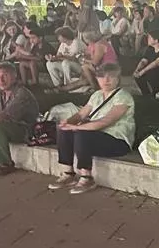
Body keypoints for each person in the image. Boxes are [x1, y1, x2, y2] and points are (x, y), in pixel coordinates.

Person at [48, 63, 135, 194]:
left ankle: (86, 177)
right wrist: (68, 122)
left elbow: (105, 121)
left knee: (82, 133)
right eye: (102, 77)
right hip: (96, 137)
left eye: (111, 77)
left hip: (117, 141)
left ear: (118, 79)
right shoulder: (97, 95)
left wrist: (77, 127)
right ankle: (68, 173)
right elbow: (80, 114)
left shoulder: (123, 96)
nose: (106, 80)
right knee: (65, 131)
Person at [132, 29, 159, 97]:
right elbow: (143, 61)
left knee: (150, 72)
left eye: (149, 37)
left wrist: (143, 71)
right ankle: (146, 94)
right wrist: (137, 70)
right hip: (155, 70)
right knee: (138, 76)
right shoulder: (150, 48)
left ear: (156, 40)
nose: (147, 39)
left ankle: (156, 93)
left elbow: (156, 63)